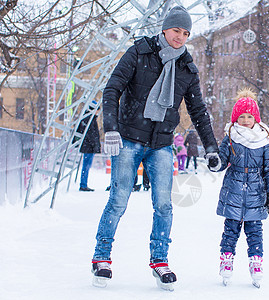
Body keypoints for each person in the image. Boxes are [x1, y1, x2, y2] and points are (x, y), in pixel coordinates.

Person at [91, 6, 220, 290]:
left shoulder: (187, 68)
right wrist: (110, 128)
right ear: (165, 28)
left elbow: (198, 110)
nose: (180, 37)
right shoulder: (139, 52)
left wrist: (211, 147)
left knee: (163, 205)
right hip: (128, 138)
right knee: (118, 200)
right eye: (176, 30)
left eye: (186, 33)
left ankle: (160, 260)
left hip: (161, 143)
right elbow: (112, 88)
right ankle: (102, 257)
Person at [211, 88, 269, 288]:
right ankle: (226, 259)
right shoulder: (231, 137)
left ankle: (256, 262)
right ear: (236, 118)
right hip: (233, 191)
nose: (246, 120)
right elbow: (222, 161)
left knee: (255, 231)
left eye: (250, 116)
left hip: (257, 192)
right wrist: (215, 161)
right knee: (230, 230)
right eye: (242, 116)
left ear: (256, 118)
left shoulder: (264, 140)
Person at [76, 104, 101, 192]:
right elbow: (92, 134)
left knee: (86, 166)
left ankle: (83, 184)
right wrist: (95, 145)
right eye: (97, 110)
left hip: (87, 146)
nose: (98, 112)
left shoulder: (87, 118)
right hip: (89, 147)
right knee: (86, 166)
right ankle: (83, 185)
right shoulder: (90, 119)